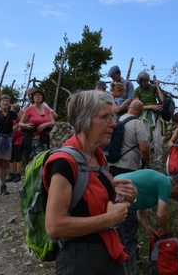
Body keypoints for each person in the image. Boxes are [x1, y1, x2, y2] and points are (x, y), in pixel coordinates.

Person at [43, 90, 137, 275]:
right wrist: (109, 219)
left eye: (112, 116)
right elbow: (54, 226)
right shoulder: (64, 163)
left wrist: (127, 199)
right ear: (83, 123)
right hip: (79, 260)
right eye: (105, 117)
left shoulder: (97, 158)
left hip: (108, 253)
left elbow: (101, 206)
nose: (113, 123)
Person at [115, 169, 178, 275]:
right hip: (121, 196)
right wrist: (165, 231)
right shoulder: (165, 184)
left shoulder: (157, 183)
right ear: (177, 187)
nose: (173, 198)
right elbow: (161, 214)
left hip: (116, 190)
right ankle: (133, 271)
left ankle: (126, 267)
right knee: (129, 239)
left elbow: (141, 210)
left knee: (119, 237)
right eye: (177, 196)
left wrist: (148, 227)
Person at [109, 100, 151, 177]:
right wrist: (147, 162)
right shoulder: (138, 123)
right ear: (141, 112)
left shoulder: (118, 120)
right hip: (128, 166)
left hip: (111, 164)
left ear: (129, 108)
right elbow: (144, 148)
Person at [134, 72, 165, 170]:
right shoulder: (137, 90)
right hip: (144, 116)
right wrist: (152, 106)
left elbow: (162, 99)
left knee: (157, 138)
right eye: (143, 81)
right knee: (145, 138)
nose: (146, 83)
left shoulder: (152, 87)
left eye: (147, 80)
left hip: (156, 116)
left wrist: (157, 86)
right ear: (140, 82)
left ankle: (158, 162)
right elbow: (138, 105)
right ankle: (145, 162)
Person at [0, 95, 18, 195]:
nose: (5, 103)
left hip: (8, 139)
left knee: (4, 164)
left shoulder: (12, 114)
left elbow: (19, 121)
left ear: (9, 103)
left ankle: (3, 185)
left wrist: (14, 129)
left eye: (7, 101)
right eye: (3, 101)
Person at [20, 89, 56, 160]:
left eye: (39, 95)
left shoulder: (47, 110)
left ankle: (42, 171)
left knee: (44, 157)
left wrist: (45, 124)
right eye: (36, 95)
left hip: (44, 137)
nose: (38, 97)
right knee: (34, 158)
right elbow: (21, 123)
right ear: (32, 98)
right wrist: (26, 126)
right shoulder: (28, 109)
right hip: (33, 137)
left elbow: (53, 122)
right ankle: (31, 171)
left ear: (42, 98)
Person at [7, 104, 24, 182]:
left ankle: (18, 174)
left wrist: (14, 127)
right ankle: (12, 174)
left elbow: (18, 130)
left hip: (18, 139)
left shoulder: (20, 119)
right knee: (11, 158)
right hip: (12, 139)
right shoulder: (11, 119)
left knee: (18, 157)